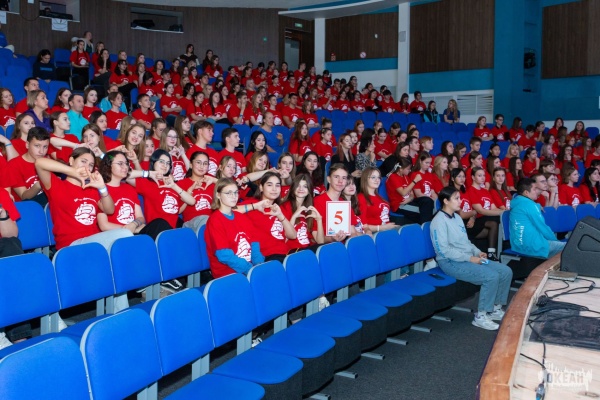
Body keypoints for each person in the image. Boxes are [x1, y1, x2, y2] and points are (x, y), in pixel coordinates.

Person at [430, 186, 512, 331]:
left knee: (505, 271)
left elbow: (466, 242)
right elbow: (443, 251)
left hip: (467, 257)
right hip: (450, 262)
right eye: (456, 198)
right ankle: (481, 316)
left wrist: (478, 252)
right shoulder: (438, 221)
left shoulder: (457, 217)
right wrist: (470, 258)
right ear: (446, 201)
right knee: (491, 276)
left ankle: (495, 308)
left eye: (460, 198)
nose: (460, 201)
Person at [35, 147, 132, 250]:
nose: (87, 167)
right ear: (71, 160)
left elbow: (109, 210)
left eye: (91, 165)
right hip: (70, 244)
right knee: (125, 234)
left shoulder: (92, 189)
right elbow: (39, 163)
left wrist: (102, 188)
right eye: (83, 161)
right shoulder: (56, 185)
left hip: (94, 241)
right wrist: (72, 171)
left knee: (127, 237)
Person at [204, 177, 265, 278]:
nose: (234, 196)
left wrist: (259, 265)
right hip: (228, 273)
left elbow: (254, 244)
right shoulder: (215, 221)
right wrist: (250, 270)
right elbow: (224, 255)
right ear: (218, 195)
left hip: (249, 269)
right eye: (229, 193)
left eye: (236, 192)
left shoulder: (242, 217)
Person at [509, 178, 565, 258]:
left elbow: (525, 209)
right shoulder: (530, 205)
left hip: (518, 246)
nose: (537, 191)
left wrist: (537, 205)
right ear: (526, 193)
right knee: (570, 247)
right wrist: (555, 240)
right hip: (533, 247)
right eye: (535, 189)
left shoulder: (517, 202)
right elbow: (542, 227)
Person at [4, 127, 49, 205]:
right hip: (26, 205)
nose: (41, 151)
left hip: (46, 202)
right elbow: (23, 196)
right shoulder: (14, 165)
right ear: (27, 145)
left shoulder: (46, 161)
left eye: (45, 147)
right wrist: (39, 184)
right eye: (37, 146)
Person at [358, 167, 398, 232]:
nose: (377, 180)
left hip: (386, 230)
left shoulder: (380, 198)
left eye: (378, 177)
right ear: (365, 179)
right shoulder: (361, 197)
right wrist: (382, 228)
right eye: (373, 177)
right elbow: (361, 225)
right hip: (374, 233)